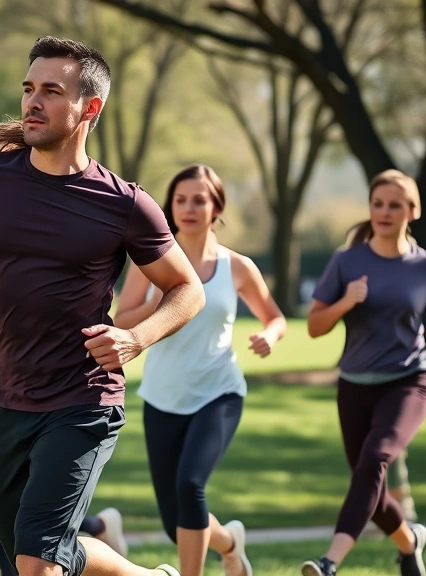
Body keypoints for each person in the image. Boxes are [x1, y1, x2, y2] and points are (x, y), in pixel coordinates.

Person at [0, 36, 205, 576]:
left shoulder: (126, 204)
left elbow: (188, 289)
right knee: (37, 552)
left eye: (50, 90)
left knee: (36, 562)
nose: (32, 102)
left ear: (89, 108)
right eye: (28, 89)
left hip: (80, 399)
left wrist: (136, 338)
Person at [115, 165, 286, 576]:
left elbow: (275, 317)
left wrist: (270, 337)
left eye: (199, 199)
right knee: (179, 524)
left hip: (219, 393)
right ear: (170, 207)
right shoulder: (149, 261)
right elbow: (122, 320)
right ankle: (230, 543)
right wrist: (166, 297)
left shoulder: (237, 266)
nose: (189, 208)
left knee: (190, 485)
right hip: (162, 396)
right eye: (181, 199)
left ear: (216, 207)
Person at [301, 169, 426, 576]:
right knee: (371, 489)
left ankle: (328, 563)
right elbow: (314, 325)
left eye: (395, 205)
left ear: (413, 211)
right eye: (378, 203)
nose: (384, 211)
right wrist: (346, 302)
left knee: (374, 461)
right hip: (355, 385)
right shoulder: (347, 261)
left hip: (408, 381)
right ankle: (410, 543)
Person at [0, 232, 131, 576]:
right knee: (4, 505)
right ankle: (93, 527)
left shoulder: (9, 251)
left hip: (3, 396)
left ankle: (68, 537)